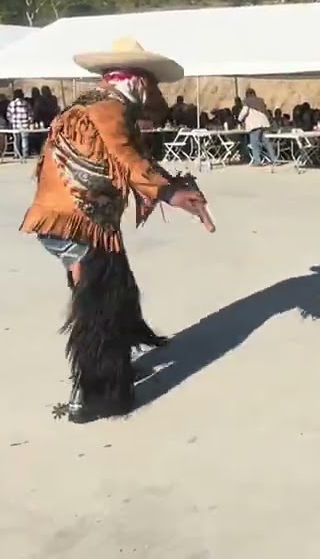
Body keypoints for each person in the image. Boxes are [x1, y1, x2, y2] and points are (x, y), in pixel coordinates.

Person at [19, 37, 213, 424]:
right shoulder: (110, 110)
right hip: (78, 223)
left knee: (115, 289)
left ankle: (115, 366)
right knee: (98, 307)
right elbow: (128, 160)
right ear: (138, 83)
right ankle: (93, 394)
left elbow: (127, 157)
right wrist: (173, 193)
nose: (151, 95)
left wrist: (167, 186)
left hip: (70, 219)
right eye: (150, 86)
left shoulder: (87, 104)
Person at [238, 88, 277, 166]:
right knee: (267, 142)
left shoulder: (247, 102)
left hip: (255, 125)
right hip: (264, 124)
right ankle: (274, 159)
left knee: (255, 143)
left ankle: (257, 161)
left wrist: (239, 119)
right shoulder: (260, 101)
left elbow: (244, 112)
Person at [6, 89, 33, 159]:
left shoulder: (11, 104)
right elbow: (30, 114)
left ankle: (16, 154)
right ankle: (25, 153)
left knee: (16, 139)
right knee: (24, 139)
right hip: (24, 124)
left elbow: (8, 115)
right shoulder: (26, 103)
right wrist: (29, 121)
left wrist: (12, 121)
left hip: (15, 124)